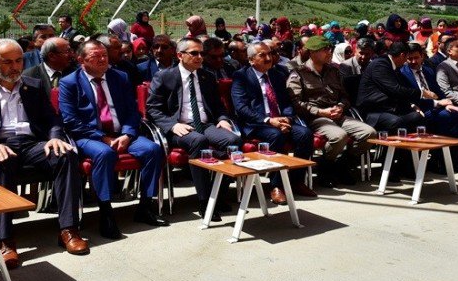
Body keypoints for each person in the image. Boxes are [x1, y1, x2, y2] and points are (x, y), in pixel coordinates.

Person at [0, 39, 88, 266]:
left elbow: (52, 119)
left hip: (31, 144)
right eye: (7, 62)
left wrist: (55, 137)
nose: (15, 67)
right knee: (0, 162)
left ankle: (69, 230)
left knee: (66, 155)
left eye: (18, 61)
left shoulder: (33, 85)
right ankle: (5, 240)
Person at [58, 40, 168, 238]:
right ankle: (106, 213)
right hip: (89, 136)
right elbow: (70, 121)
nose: (102, 59)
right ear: (81, 59)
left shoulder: (120, 77)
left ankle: (145, 206)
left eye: (105, 55)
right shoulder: (69, 82)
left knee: (152, 149)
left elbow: (133, 112)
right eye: (95, 56)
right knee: (105, 154)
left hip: (123, 133)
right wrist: (103, 138)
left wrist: (127, 134)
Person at [146, 38, 240, 220]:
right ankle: (205, 202)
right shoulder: (165, 76)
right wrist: (172, 125)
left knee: (233, 140)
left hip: (205, 124)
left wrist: (222, 119)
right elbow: (152, 109)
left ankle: (218, 195)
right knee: (199, 141)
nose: (199, 57)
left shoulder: (207, 76)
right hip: (180, 127)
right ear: (180, 55)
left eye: (202, 54)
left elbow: (218, 105)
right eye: (194, 53)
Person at [231, 42, 316, 203]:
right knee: (276, 136)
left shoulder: (277, 75)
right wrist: (269, 120)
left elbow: (286, 102)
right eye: (262, 55)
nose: (268, 58)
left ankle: (296, 181)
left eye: (270, 53)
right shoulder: (241, 76)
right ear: (250, 60)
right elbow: (241, 108)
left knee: (305, 134)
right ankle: (276, 186)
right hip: (257, 124)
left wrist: (287, 118)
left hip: (280, 120)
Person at [285, 36, 375, 184]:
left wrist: (340, 106)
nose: (329, 53)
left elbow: (345, 97)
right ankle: (325, 168)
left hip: (337, 114)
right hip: (316, 117)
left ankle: (341, 164)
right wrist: (321, 112)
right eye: (324, 50)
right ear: (313, 52)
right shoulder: (298, 74)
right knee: (339, 136)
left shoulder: (334, 71)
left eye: (330, 49)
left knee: (369, 133)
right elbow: (297, 104)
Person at [356, 41, 434, 133]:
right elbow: (394, 89)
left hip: (388, 107)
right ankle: (391, 147)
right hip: (373, 111)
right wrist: (422, 93)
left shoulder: (392, 66)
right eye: (406, 58)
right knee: (396, 121)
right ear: (402, 55)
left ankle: (413, 146)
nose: (406, 62)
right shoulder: (380, 64)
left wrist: (411, 105)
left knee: (417, 117)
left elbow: (397, 91)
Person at [400, 43, 458, 139]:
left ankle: (453, 150)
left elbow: (438, 91)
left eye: (416, 58)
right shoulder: (403, 74)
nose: (413, 61)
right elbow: (411, 98)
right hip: (420, 108)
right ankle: (440, 151)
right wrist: (438, 103)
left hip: (437, 106)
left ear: (422, 56)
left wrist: (447, 104)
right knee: (444, 117)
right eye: (409, 59)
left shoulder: (428, 71)